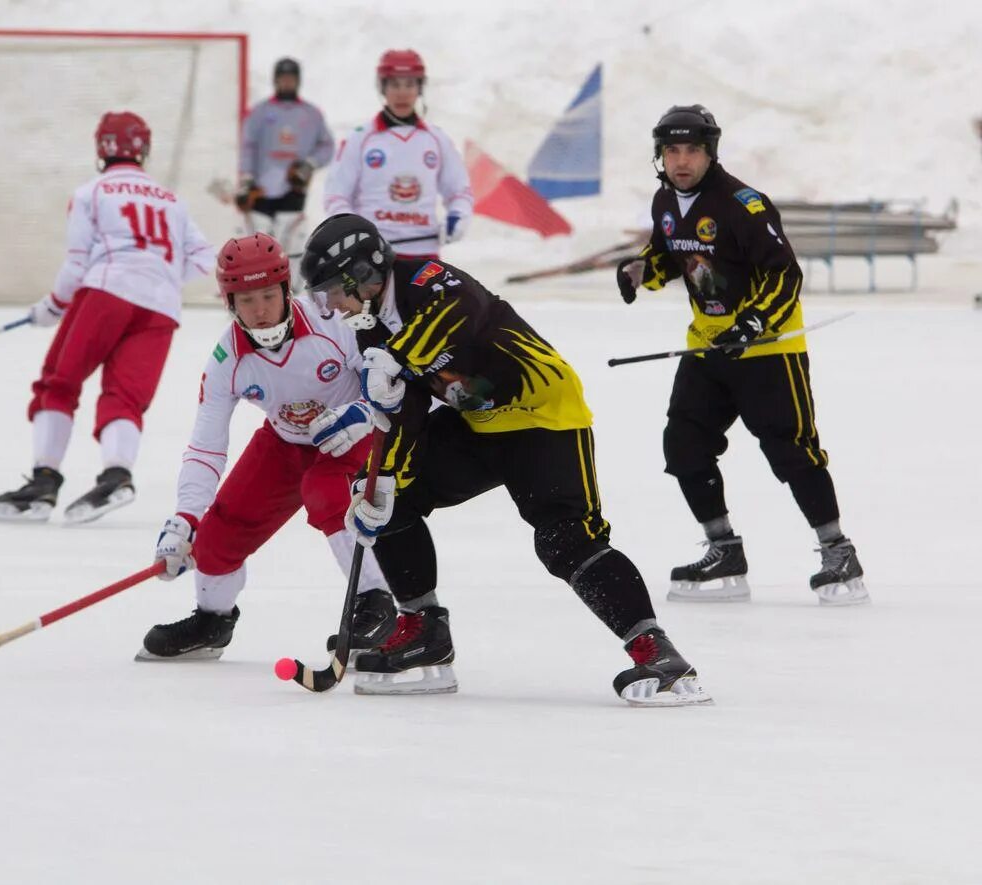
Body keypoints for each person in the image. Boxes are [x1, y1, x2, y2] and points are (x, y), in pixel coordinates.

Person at [300, 213, 711, 706]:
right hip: (477, 424)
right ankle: (424, 634)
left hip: (541, 415)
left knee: (565, 540)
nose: (330, 305)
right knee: (389, 498)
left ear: (360, 275)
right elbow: (404, 407)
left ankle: (657, 654)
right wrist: (383, 479)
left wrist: (402, 357)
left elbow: (463, 310)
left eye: (332, 291)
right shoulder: (368, 326)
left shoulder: (424, 277)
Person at [616, 105, 867, 606]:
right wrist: (642, 269)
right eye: (671, 150)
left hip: (767, 348)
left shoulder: (742, 205)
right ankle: (724, 550)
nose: (681, 160)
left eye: (692, 150)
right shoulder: (665, 198)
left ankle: (838, 551)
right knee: (683, 446)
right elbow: (674, 254)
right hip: (708, 346)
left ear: (710, 153)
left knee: (790, 451)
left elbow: (784, 276)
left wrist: (752, 323)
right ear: (659, 156)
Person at [137, 233, 395, 661]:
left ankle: (375, 602)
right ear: (229, 302)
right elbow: (206, 445)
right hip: (285, 441)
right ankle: (212, 621)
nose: (258, 311)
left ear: (285, 289)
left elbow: (389, 381)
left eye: (267, 296)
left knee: (324, 489)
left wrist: (362, 412)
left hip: (354, 434)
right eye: (245, 300)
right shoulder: (227, 359)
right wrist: (185, 518)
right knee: (217, 536)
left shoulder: (332, 322)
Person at [0, 111, 215, 525]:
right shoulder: (171, 200)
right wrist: (161, 277)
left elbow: (77, 264)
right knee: (124, 396)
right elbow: (205, 258)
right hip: (161, 306)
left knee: (58, 384)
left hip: (106, 292)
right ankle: (116, 475)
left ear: (101, 149)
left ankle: (44, 480)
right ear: (144, 149)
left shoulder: (90, 193)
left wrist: (53, 306)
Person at [323, 49, 473, 260]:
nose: (402, 93)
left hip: (424, 254)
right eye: (395, 85)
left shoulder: (437, 139)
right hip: (372, 256)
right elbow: (336, 195)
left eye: (410, 84)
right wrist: (352, 231)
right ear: (382, 87)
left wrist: (458, 216)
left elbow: (460, 191)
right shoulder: (360, 138)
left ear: (420, 88)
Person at [236, 57, 335, 258]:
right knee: (259, 245)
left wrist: (310, 163)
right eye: (283, 78)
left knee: (291, 243)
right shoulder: (260, 112)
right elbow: (248, 146)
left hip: (294, 189)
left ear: (298, 80)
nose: (287, 82)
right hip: (261, 189)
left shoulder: (311, 113)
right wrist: (246, 177)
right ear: (275, 80)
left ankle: (290, 288)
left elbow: (327, 145)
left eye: (291, 78)